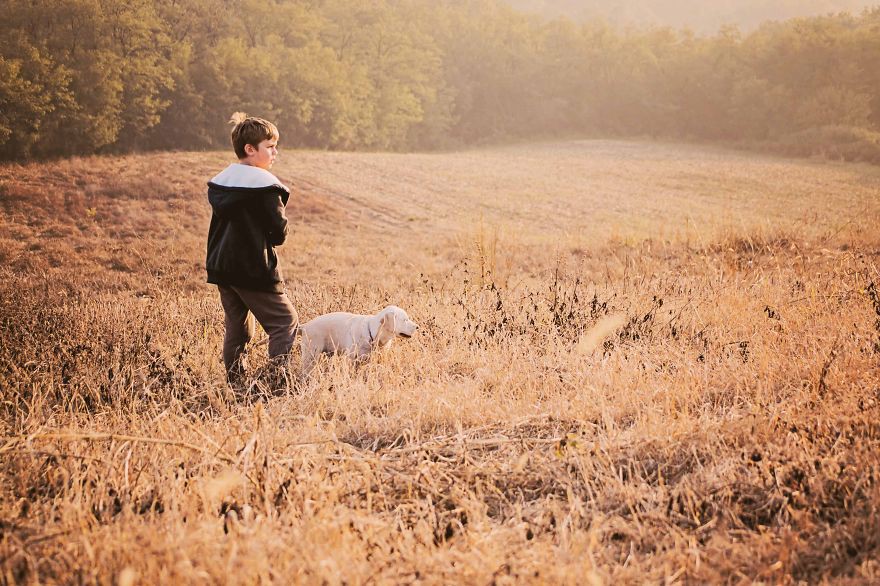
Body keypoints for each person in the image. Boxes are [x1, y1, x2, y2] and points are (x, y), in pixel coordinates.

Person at [206, 112, 298, 386]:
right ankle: (277, 382)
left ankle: (236, 383)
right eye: (269, 147)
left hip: (223, 266)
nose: (275, 152)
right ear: (250, 149)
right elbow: (278, 233)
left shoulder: (222, 183)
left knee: (238, 327)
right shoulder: (265, 187)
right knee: (284, 321)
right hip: (252, 267)